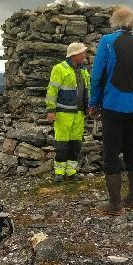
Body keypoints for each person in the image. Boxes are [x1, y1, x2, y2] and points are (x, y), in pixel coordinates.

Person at [89, 6, 133, 215]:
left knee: (111, 153)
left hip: (112, 107)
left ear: (115, 22)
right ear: (132, 23)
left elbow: (97, 77)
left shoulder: (107, 42)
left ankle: (115, 204)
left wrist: (94, 104)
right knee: (131, 151)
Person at [46, 42, 90, 182]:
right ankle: (59, 172)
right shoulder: (59, 69)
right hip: (63, 113)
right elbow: (52, 91)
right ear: (75, 55)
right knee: (62, 144)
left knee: (75, 144)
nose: (84, 55)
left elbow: (87, 90)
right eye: (82, 53)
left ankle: (71, 172)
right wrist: (51, 110)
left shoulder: (83, 70)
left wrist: (89, 106)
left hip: (79, 113)